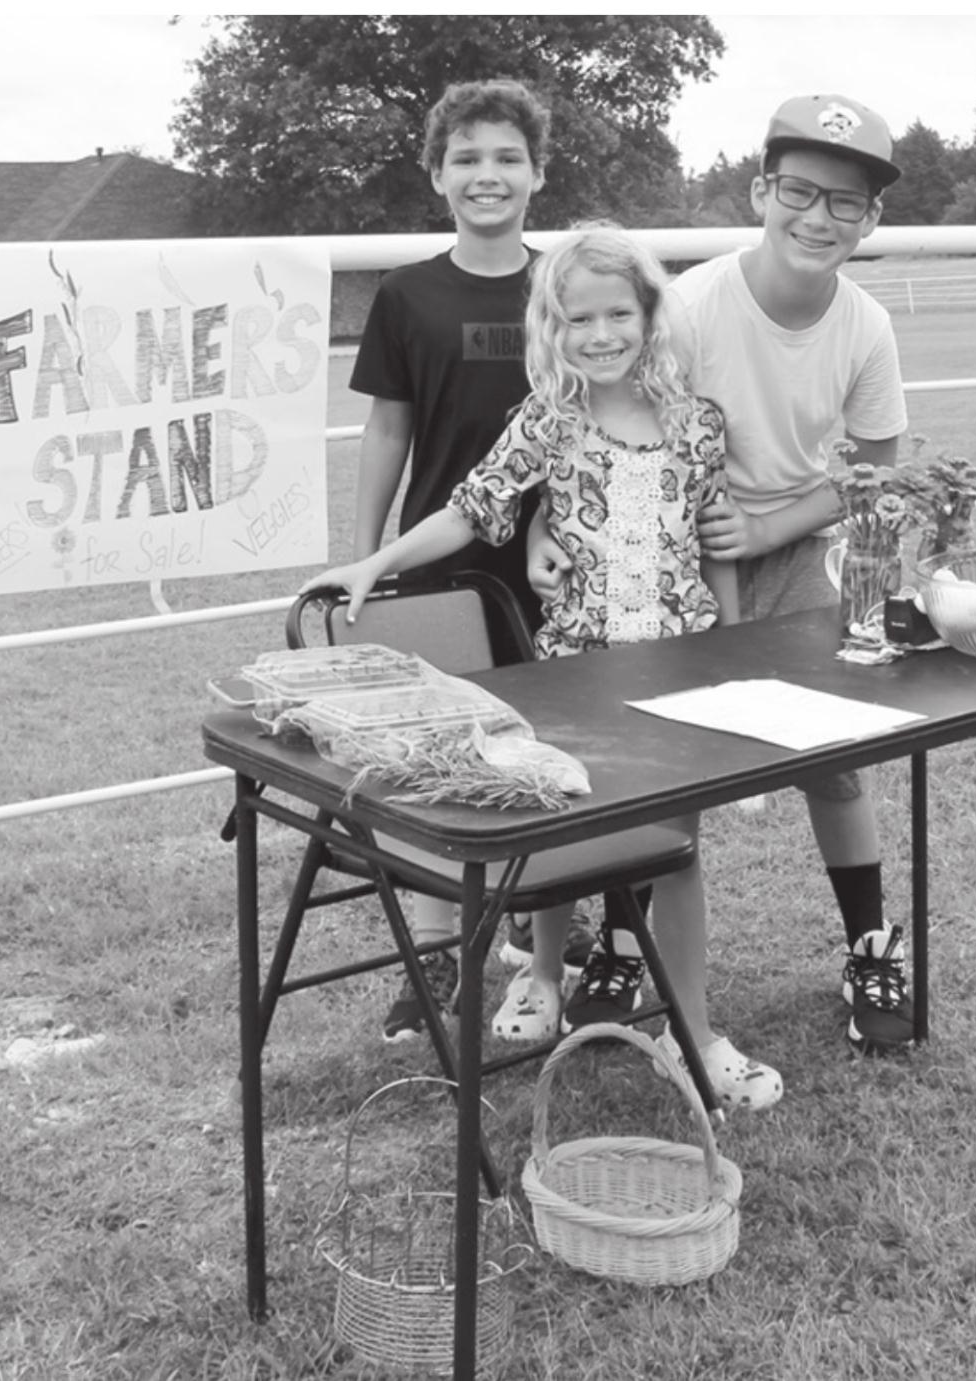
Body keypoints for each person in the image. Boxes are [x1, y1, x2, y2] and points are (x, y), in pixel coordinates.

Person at [299, 225, 783, 1110]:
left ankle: (696, 1030)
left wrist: (737, 643)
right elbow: (470, 508)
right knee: (563, 829)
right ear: (549, 329)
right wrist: (374, 564)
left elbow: (717, 548)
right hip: (578, 676)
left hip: (682, 678)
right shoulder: (548, 421)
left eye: (615, 314)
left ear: (648, 316)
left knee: (676, 854)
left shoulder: (697, 423)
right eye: (574, 320)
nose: (598, 335)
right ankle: (543, 973)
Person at [533, 94, 914, 1057]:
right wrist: (544, 514)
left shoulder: (864, 326)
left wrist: (770, 524)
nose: (817, 217)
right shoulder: (694, 304)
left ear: (870, 221)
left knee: (832, 755)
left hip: (792, 550)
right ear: (759, 193)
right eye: (798, 191)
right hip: (666, 552)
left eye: (846, 202)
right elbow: (594, 406)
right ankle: (624, 940)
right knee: (665, 762)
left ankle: (868, 939)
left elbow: (875, 473)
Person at [330, 77, 592, 1044]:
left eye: (507, 157)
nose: (489, 175)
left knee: (549, 749)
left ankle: (544, 945)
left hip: (557, 565)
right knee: (436, 760)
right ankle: (436, 960)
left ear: (537, 172)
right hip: (437, 562)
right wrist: (364, 558)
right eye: (468, 158)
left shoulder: (568, 291)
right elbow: (387, 427)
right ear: (437, 174)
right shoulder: (406, 294)